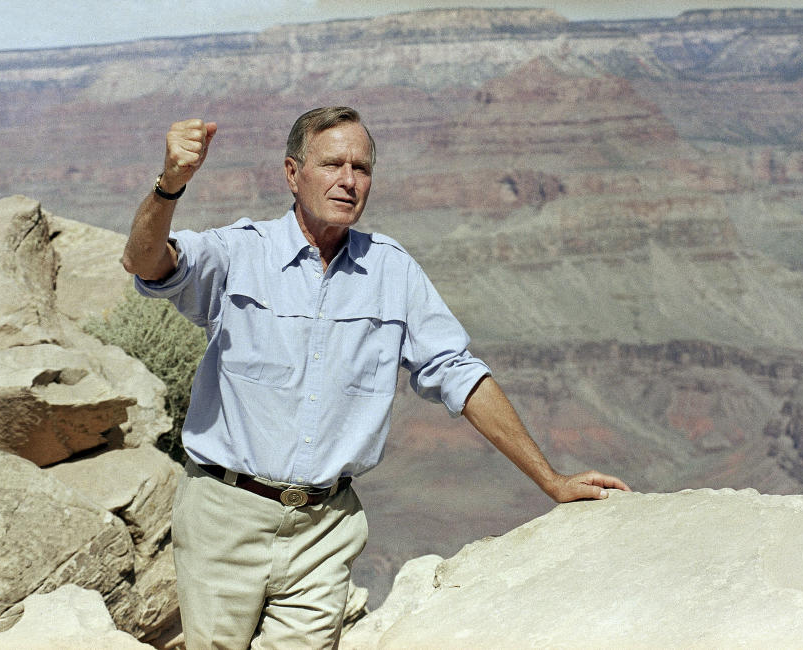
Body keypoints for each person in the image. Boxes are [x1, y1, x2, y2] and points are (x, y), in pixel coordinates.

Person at [122, 106, 630, 649]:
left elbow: (458, 374)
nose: (347, 180)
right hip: (225, 514)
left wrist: (550, 480)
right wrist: (169, 186)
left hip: (325, 526)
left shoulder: (392, 270)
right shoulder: (240, 252)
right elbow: (146, 261)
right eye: (332, 164)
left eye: (361, 168)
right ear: (293, 174)